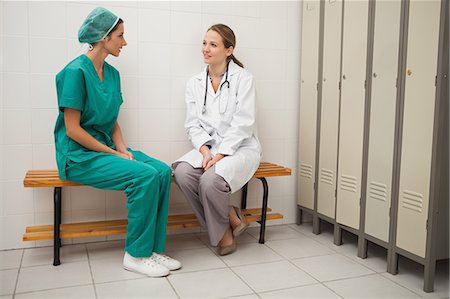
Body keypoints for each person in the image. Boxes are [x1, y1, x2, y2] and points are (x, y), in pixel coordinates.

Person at [54, 7, 181, 277]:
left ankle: (153, 249)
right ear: (103, 37)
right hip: (78, 156)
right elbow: (73, 130)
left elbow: (111, 119)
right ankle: (135, 254)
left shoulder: (112, 74)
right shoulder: (75, 72)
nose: (124, 42)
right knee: (144, 176)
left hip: (105, 149)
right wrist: (113, 154)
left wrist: (121, 149)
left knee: (160, 171)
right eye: (120, 36)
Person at [173, 24, 262, 256]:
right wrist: (205, 152)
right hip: (209, 147)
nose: (206, 49)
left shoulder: (244, 79)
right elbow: (192, 124)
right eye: (204, 43)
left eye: (213, 44)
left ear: (229, 50)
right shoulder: (194, 83)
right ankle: (229, 215)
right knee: (182, 173)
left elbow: (244, 123)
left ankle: (224, 236)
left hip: (240, 147)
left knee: (209, 181)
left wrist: (221, 155)